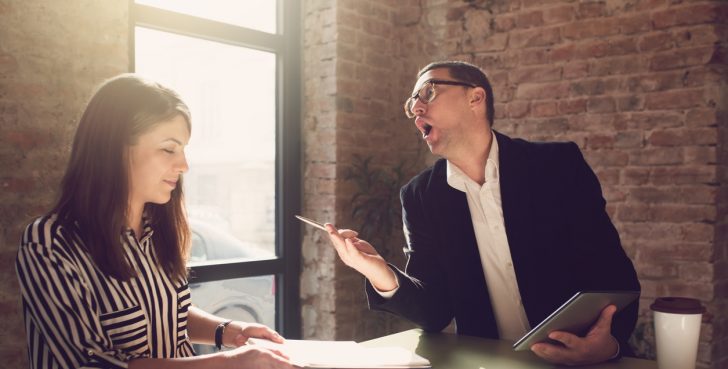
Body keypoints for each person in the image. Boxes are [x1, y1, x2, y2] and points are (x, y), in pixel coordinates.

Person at [325, 61, 641, 366]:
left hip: (579, 362)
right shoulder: (420, 195)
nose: (417, 109)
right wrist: (378, 271)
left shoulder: (557, 166)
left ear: (476, 97)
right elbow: (434, 311)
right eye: (412, 104)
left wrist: (608, 345)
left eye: (428, 93)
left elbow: (613, 274)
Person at [15, 74, 294, 369]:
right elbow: (93, 364)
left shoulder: (157, 230)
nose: (184, 165)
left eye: (183, 149)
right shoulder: (49, 244)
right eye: (168, 149)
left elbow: (171, 312)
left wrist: (228, 331)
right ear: (115, 148)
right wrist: (227, 364)